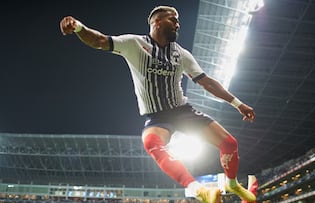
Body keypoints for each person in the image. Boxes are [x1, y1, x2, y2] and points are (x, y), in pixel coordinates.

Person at [60, 5, 258, 203]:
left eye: (178, 21)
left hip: (182, 111)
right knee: (150, 142)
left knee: (230, 143)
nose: (177, 24)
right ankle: (200, 191)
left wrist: (238, 103)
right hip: (157, 116)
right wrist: (78, 27)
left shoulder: (181, 54)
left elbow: (206, 82)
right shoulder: (134, 43)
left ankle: (232, 184)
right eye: (173, 20)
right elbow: (99, 41)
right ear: (157, 22)